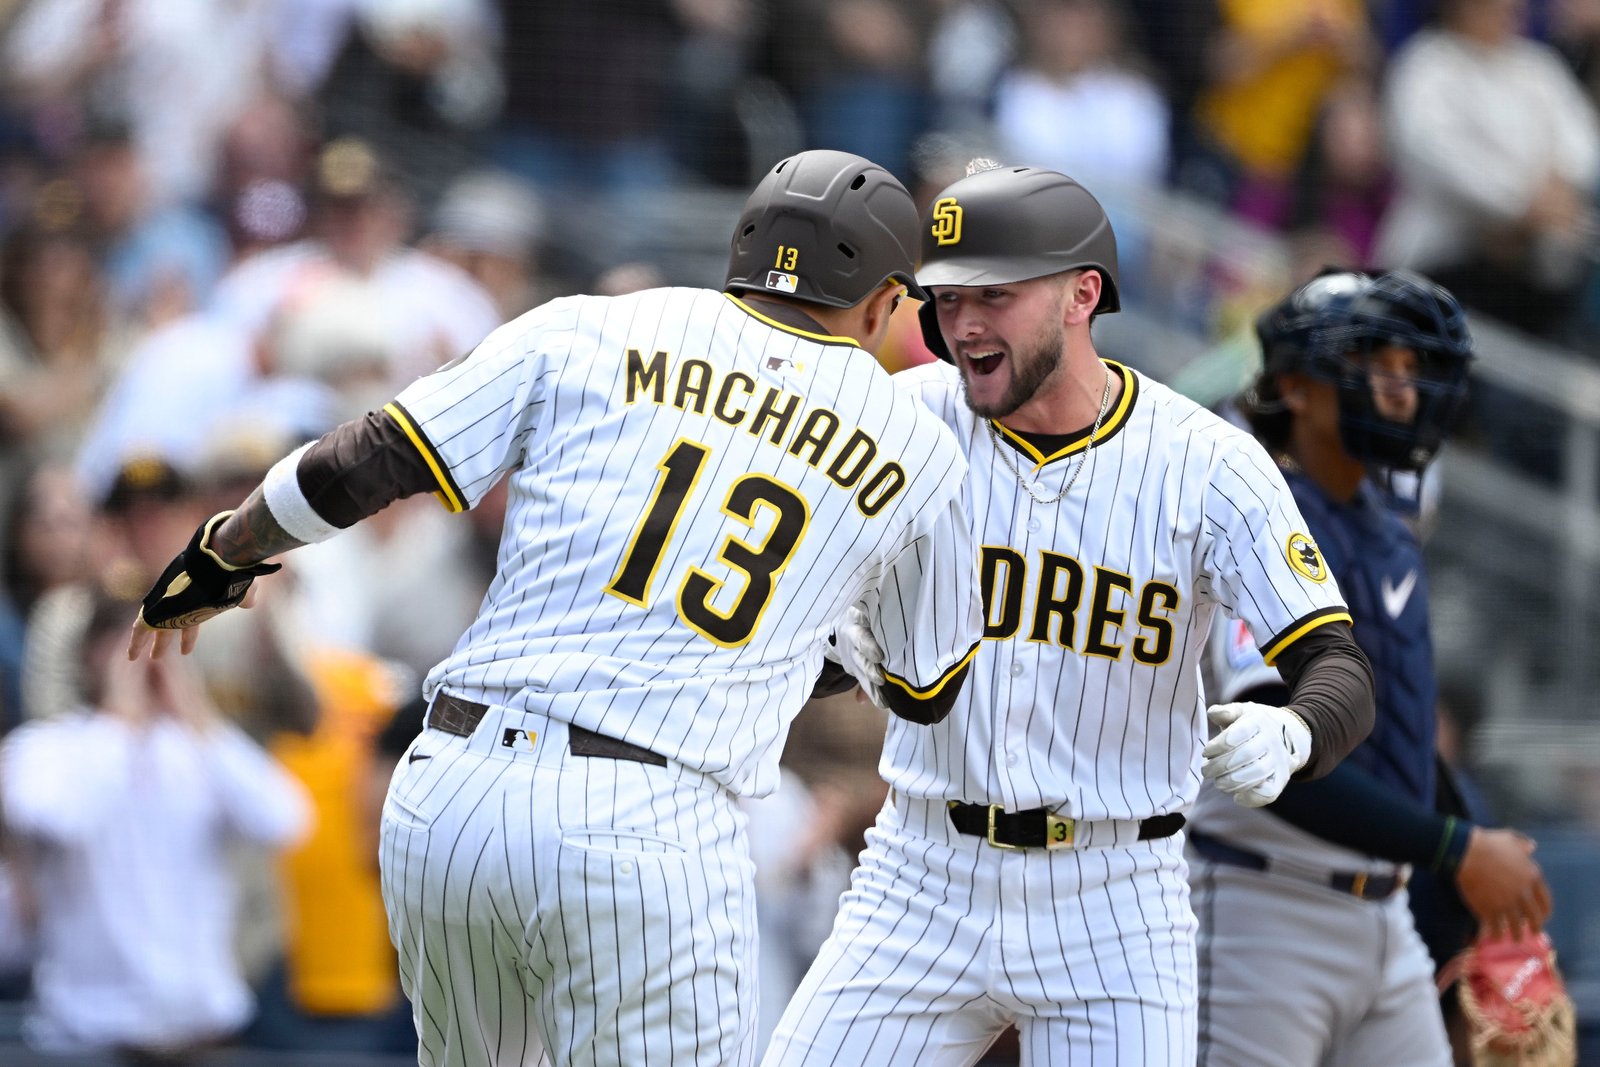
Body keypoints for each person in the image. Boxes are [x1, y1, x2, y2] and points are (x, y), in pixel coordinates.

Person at [127, 148, 987, 1067]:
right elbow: (926, 684)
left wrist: (225, 552)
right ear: (884, 300)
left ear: (744, 247)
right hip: (649, 817)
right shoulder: (917, 441)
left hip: (454, 792)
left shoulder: (594, 323)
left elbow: (374, 453)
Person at [763, 162, 1377, 1066]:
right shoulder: (897, 420)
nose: (963, 323)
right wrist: (831, 649)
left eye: (995, 295)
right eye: (947, 298)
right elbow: (792, 628)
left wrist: (1297, 731)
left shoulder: (1206, 461)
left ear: (1082, 294)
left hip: (1117, 895)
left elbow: (1340, 665)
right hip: (920, 872)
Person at [1186, 269, 1554, 1066]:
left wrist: (1475, 860)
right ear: (1296, 387)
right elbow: (1275, 761)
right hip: (1263, 907)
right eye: (1371, 362)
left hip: (1385, 909)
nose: (1400, 386)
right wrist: (1457, 847)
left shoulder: (1386, 528)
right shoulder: (1259, 517)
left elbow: (1394, 736)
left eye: (1408, 366)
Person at [2, 592, 308, 1060]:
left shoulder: (201, 749)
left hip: (203, 1035)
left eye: (158, 640)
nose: (145, 655)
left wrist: (197, 713)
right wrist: (121, 716)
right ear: (88, 655)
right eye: (127, 641)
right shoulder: (46, 748)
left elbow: (285, 820)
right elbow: (64, 817)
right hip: (87, 1040)